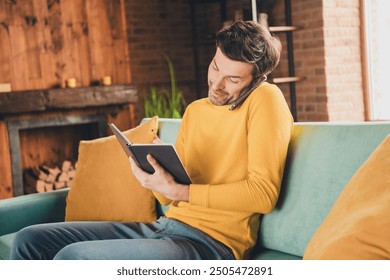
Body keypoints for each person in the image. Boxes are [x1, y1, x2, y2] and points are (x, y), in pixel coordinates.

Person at [11, 20, 293, 260]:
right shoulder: (196, 111)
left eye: (232, 79)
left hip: (211, 245)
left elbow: (262, 195)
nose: (216, 84)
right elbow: (170, 197)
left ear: (256, 80)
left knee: (75, 258)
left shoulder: (265, 99)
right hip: (167, 226)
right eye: (216, 67)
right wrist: (153, 177)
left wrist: (180, 191)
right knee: (30, 240)